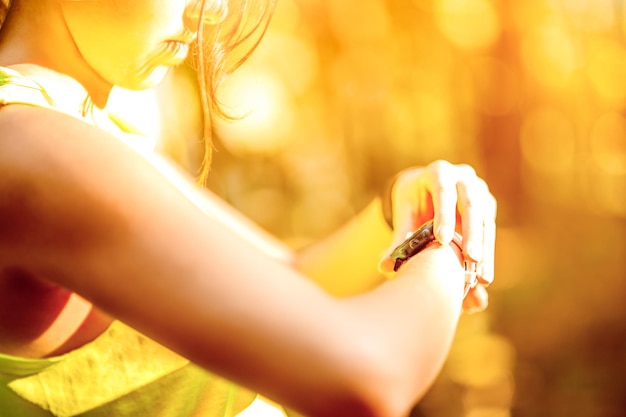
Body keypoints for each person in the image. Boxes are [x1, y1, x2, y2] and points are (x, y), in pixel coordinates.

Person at [0, 0, 497, 416]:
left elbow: (297, 280)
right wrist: (447, 246)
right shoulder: (34, 148)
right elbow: (369, 374)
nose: (211, 9)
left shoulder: (81, 133)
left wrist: (403, 204)